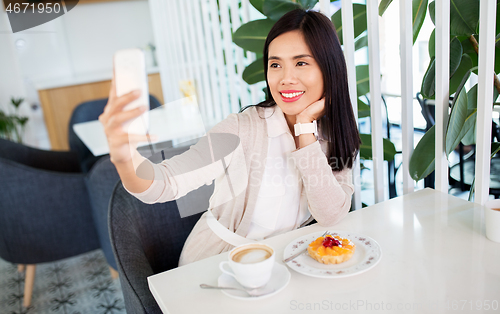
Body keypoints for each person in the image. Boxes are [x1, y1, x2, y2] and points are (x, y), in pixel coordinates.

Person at [99, 8, 361, 266]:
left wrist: (305, 130)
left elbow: (330, 215)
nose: (285, 78)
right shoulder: (241, 129)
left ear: (329, 69)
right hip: (217, 265)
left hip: (287, 265)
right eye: (275, 64)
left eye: (301, 62)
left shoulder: (334, 134)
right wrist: (124, 157)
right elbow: (164, 184)